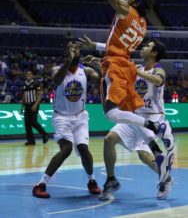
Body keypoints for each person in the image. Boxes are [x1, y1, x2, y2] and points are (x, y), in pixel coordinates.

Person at [78, 0, 173, 189]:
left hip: (119, 65)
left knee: (111, 113)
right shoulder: (142, 27)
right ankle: (153, 151)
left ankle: (154, 127)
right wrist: (100, 48)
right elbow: (120, 46)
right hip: (125, 66)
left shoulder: (126, 11)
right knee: (126, 120)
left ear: (135, 2)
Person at [77, 35, 174, 199]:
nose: (142, 48)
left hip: (152, 118)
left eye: (147, 46)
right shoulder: (135, 67)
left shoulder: (158, 69)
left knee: (146, 156)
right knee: (109, 139)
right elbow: (114, 72)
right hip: (132, 116)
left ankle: (166, 178)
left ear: (154, 53)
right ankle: (111, 180)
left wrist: (137, 72)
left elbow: (158, 80)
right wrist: (96, 60)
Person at [32, 42, 101, 198]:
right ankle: (40, 184)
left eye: (76, 48)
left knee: (83, 149)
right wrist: (68, 61)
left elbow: (102, 80)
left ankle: (92, 181)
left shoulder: (86, 71)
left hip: (81, 116)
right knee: (67, 148)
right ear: (66, 53)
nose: (74, 49)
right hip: (61, 116)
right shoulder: (57, 69)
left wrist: (98, 65)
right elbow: (56, 80)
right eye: (70, 48)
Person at [21, 70, 49, 146]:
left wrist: (35, 105)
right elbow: (23, 96)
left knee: (33, 122)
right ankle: (31, 141)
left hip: (34, 104)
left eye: (30, 74)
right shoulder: (24, 84)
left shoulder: (36, 83)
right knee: (27, 123)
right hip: (27, 105)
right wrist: (22, 106)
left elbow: (40, 95)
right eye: (27, 74)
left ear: (32, 75)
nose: (28, 75)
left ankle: (44, 134)